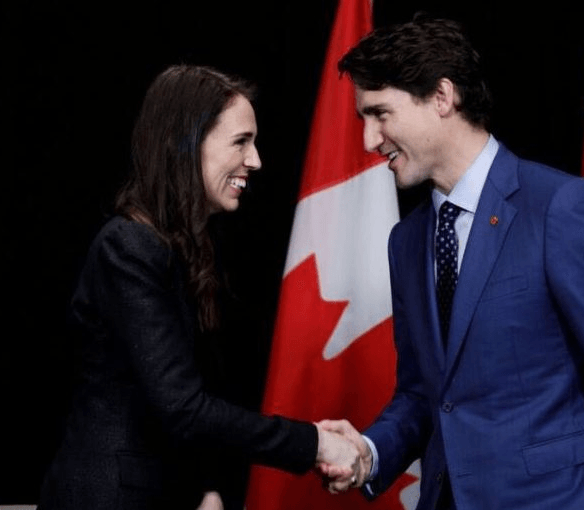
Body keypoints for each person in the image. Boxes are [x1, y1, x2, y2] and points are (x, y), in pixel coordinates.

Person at [319, 16, 584, 510]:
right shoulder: (406, 241)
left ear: (442, 97)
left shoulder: (562, 209)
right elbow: (426, 394)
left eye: (380, 113)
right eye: (364, 118)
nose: (368, 139)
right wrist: (369, 451)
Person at [37, 65, 358, 510]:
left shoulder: (183, 246)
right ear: (186, 145)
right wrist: (316, 444)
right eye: (240, 141)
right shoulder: (127, 247)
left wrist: (202, 485)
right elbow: (182, 408)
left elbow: (173, 400)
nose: (256, 160)